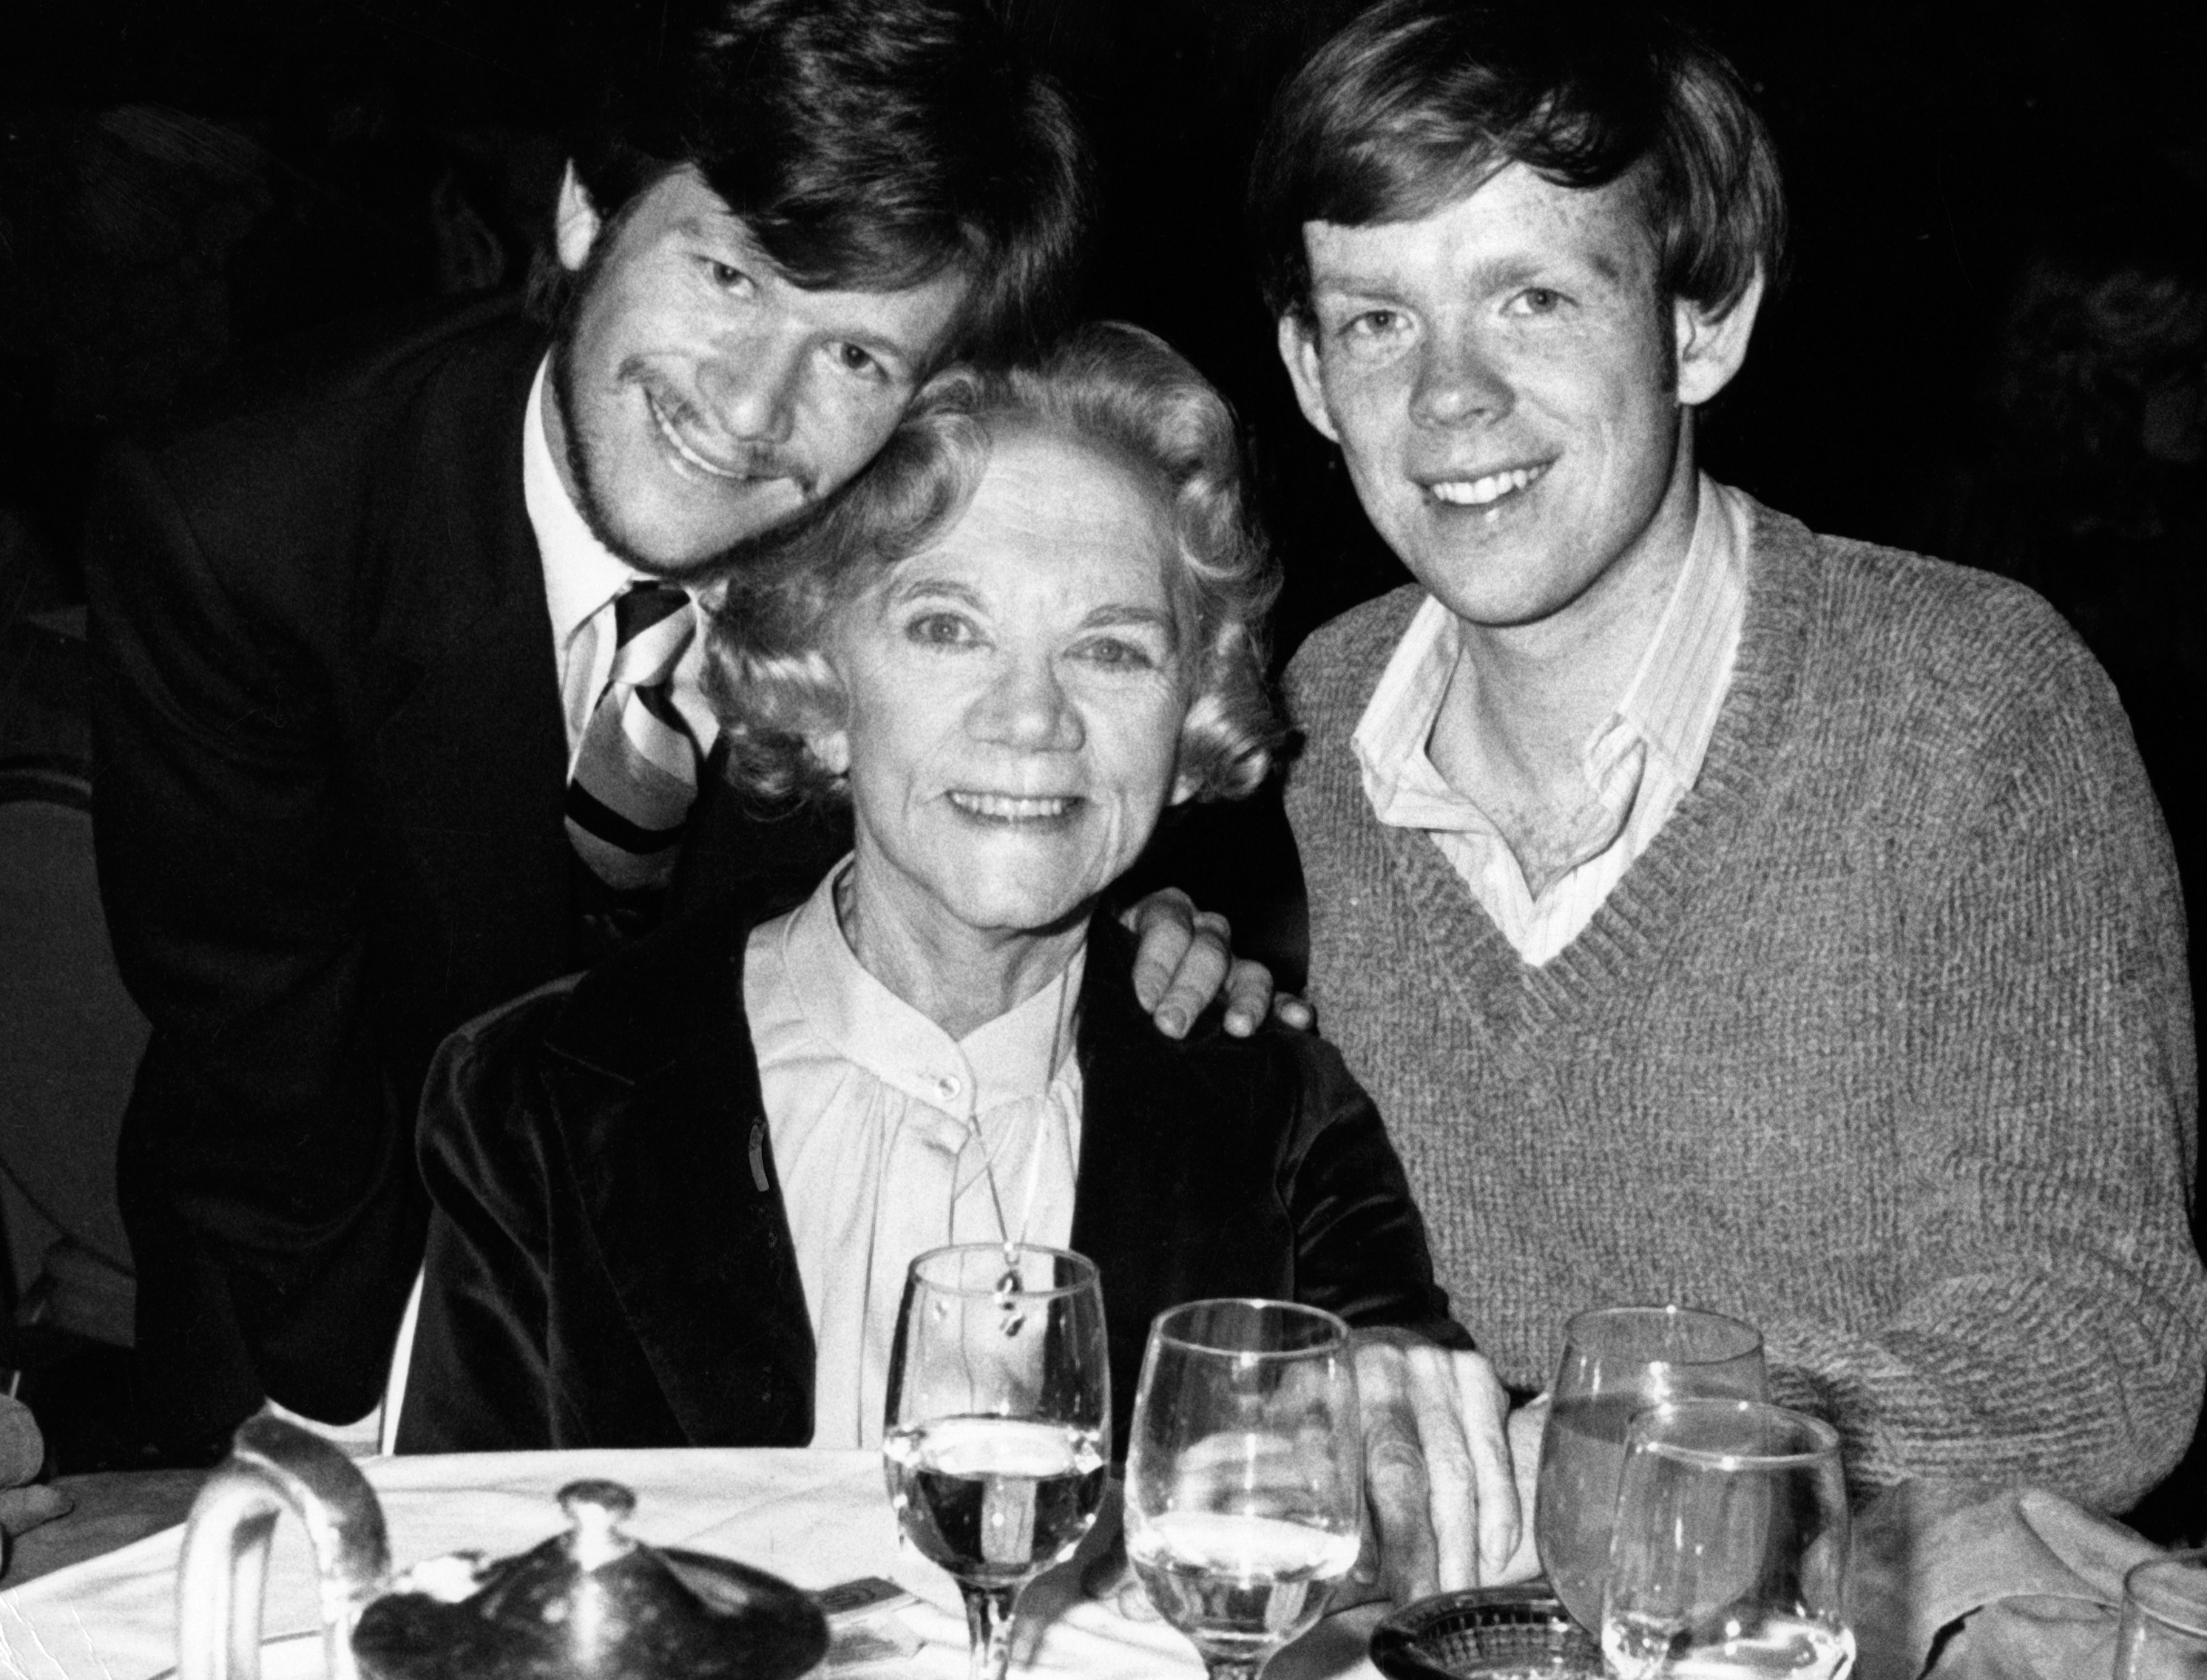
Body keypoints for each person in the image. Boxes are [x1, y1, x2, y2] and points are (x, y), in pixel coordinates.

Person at [86, 0, 1260, 1455]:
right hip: (321, 1324)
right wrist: (358, 1465)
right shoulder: (246, 531)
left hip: (721, 1341)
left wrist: (1113, 926)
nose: (751, 408)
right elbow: (269, 1090)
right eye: (727, 274)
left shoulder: (903, 579)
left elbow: (1024, 805)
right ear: (584, 207)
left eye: (855, 353)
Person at [1243, 0, 2207, 1516]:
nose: (1449, 400)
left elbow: (2098, 1342)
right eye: (1378, 322)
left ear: (1705, 324)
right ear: (1308, 375)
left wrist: (1660, 1455)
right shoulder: (1293, 737)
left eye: (1534, 299)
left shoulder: (1969, 707)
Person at [398, 327, 1524, 1600]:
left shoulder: (1276, 1116)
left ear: (1189, 714)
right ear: (821, 676)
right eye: (947, 626)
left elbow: (1393, 1543)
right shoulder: (542, 1097)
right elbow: (459, 1601)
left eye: (1110, 648)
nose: (1031, 719)